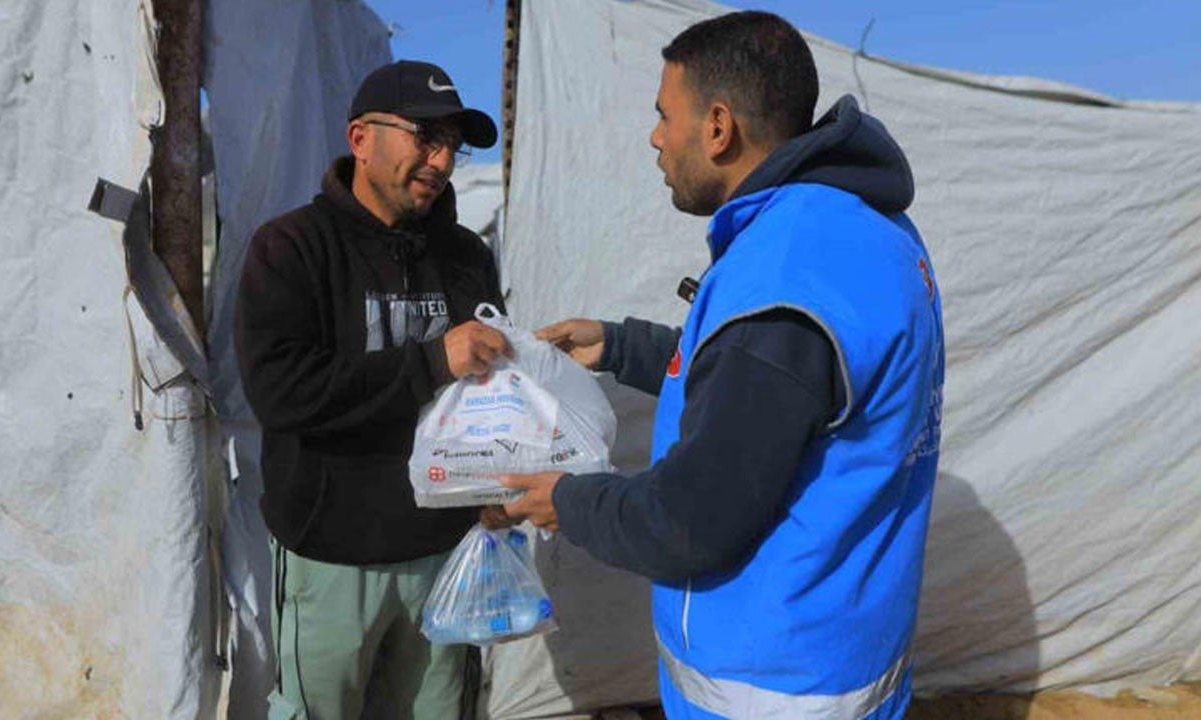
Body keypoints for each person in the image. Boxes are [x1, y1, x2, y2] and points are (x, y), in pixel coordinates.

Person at [500, 12, 945, 720]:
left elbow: (687, 521)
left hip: (769, 691)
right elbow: (778, 387)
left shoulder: (786, 271)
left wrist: (567, 500)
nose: (654, 137)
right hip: (842, 657)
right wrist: (620, 346)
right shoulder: (861, 228)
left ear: (717, 127)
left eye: (662, 115)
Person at [234, 60, 512, 719]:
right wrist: (431, 361)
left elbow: (486, 389)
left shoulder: (467, 255)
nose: (442, 161)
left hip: (446, 552)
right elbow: (281, 392)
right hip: (330, 557)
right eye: (426, 136)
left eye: (452, 144)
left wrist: (503, 474)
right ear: (361, 138)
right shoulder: (291, 247)